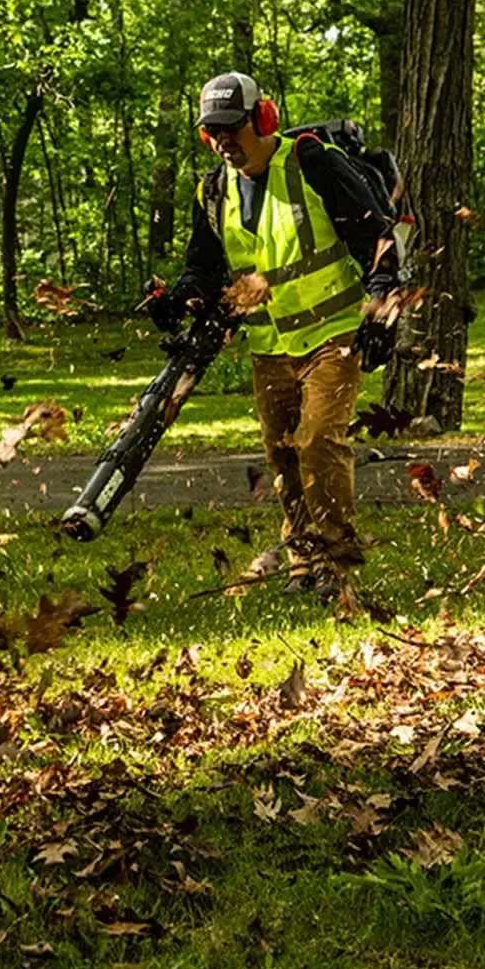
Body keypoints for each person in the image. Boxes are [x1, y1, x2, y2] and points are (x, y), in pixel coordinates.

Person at [145, 72, 400, 602]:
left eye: (231, 129)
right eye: (211, 133)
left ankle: (336, 564)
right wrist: (179, 299)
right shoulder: (213, 191)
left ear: (263, 119)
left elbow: (377, 238)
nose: (223, 143)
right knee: (283, 453)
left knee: (318, 443)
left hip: (333, 335)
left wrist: (382, 307)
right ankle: (303, 562)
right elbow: (204, 270)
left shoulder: (312, 163)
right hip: (270, 347)